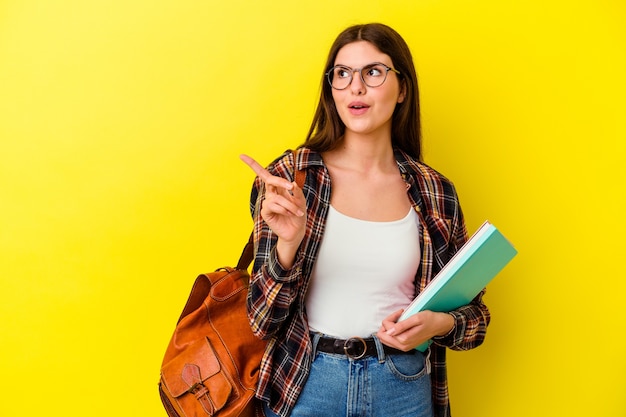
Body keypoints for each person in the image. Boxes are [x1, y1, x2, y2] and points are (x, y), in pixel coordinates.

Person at [240, 23, 490, 417]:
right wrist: (287, 246)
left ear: (402, 88)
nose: (356, 87)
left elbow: (475, 317)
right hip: (307, 385)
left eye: (373, 72)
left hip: (402, 386)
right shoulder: (293, 178)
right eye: (342, 74)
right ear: (331, 89)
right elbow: (261, 319)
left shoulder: (435, 191)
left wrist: (437, 324)